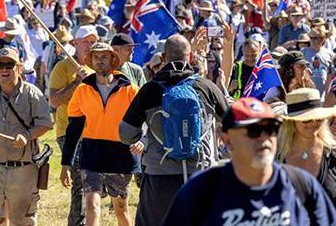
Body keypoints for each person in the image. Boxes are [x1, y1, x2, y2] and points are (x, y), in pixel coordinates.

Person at [161, 97, 336, 225]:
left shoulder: (301, 185)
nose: (264, 138)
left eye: (271, 128)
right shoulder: (201, 191)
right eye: (253, 131)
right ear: (226, 139)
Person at [119, 34, 230, 226]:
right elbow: (231, 123)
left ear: (163, 58)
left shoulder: (149, 90)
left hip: (160, 179)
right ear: (191, 58)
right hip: (201, 175)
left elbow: (126, 134)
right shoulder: (206, 87)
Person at [0, 47, 53, 226]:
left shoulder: (32, 93)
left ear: (19, 67)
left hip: (23, 168)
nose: (4, 69)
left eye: (9, 64)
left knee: (22, 222)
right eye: (0, 65)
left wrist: (28, 135)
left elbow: (46, 123)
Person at [60, 42, 140, 226]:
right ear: (91, 61)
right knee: (92, 206)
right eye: (96, 57)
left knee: (121, 210)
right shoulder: (82, 90)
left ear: (113, 59)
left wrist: (141, 140)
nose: (100, 61)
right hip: (92, 154)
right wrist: (66, 163)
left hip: (121, 155)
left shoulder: (130, 90)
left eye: (104, 56)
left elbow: (142, 121)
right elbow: (73, 129)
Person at [277, 89, 336, 224]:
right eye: (306, 119)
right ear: (292, 122)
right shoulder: (276, 160)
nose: (313, 123)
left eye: (317, 118)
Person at [48, 24, 97, 226]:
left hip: (96, 133)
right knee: (81, 181)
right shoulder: (63, 67)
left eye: (93, 42)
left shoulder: (101, 65)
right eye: (86, 41)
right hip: (69, 133)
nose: (90, 45)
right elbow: (54, 101)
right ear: (75, 43)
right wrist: (76, 82)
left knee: (93, 184)